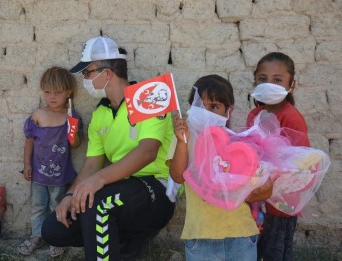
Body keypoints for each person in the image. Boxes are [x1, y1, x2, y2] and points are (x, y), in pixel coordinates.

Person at [41, 36, 175, 261]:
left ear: (107, 73)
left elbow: (148, 151)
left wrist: (98, 180)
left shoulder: (149, 97)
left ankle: (124, 244)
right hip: (119, 188)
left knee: (99, 201)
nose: (84, 79)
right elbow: (92, 163)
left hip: (156, 188)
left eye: (87, 72)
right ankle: (124, 246)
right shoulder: (100, 113)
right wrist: (71, 195)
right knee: (53, 229)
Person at [168, 75, 259, 261]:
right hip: (201, 235)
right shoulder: (184, 139)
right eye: (200, 106)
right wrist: (181, 142)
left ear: (229, 111)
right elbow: (177, 176)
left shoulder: (239, 143)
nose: (205, 111)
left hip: (240, 232)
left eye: (214, 106)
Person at [246, 52, 310, 261]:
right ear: (255, 80)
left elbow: (301, 166)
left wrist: (271, 186)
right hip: (255, 200)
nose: (268, 84)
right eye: (262, 79)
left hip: (280, 204)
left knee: (275, 252)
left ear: (292, 84)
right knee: (254, 249)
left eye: (277, 80)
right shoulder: (254, 115)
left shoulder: (291, 118)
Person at [18, 66, 82, 257]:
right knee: (38, 207)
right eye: (47, 92)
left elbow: (76, 144)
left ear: (68, 92)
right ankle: (37, 236)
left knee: (57, 207)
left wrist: (73, 130)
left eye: (58, 92)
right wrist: (27, 164)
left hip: (60, 176)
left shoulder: (70, 116)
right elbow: (29, 141)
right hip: (38, 174)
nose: (52, 97)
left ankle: (57, 239)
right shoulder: (38, 115)